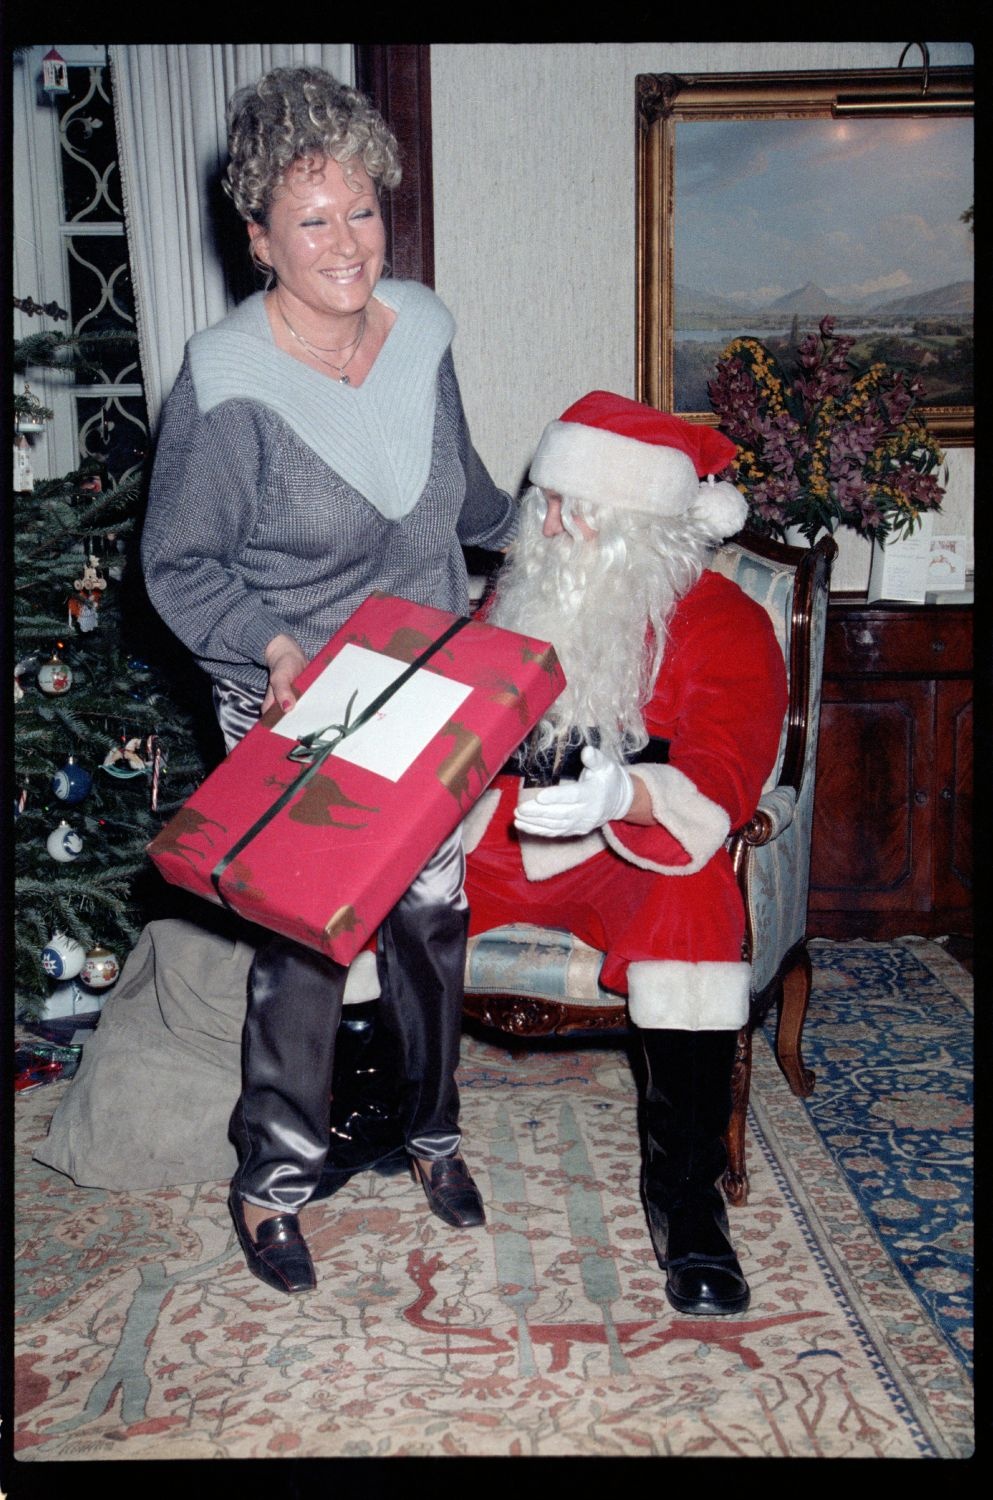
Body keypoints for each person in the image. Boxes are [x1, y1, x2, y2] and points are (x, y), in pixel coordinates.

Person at [140, 66, 517, 1295]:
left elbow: (463, 495)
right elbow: (179, 566)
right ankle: (273, 1183)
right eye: (311, 219)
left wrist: (548, 525)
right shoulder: (227, 383)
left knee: (429, 931)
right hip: (299, 688)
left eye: (361, 210)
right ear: (258, 237)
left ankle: (432, 1132)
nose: (346, 244)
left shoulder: (425, 329)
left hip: (427, 683)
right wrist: (275, 650)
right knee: (305, 955)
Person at [459, 392, 788, 1316]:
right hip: (499, 832)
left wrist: (628, 792)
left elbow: (724, 775)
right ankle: (368, 1111)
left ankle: (685, 1202)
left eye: (577, 508)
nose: (551, 525)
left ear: (642, 523)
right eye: (547, 501)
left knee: (696, 904)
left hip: (624, 846)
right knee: (379, 870)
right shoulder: (514, 596)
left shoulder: (725, 623)